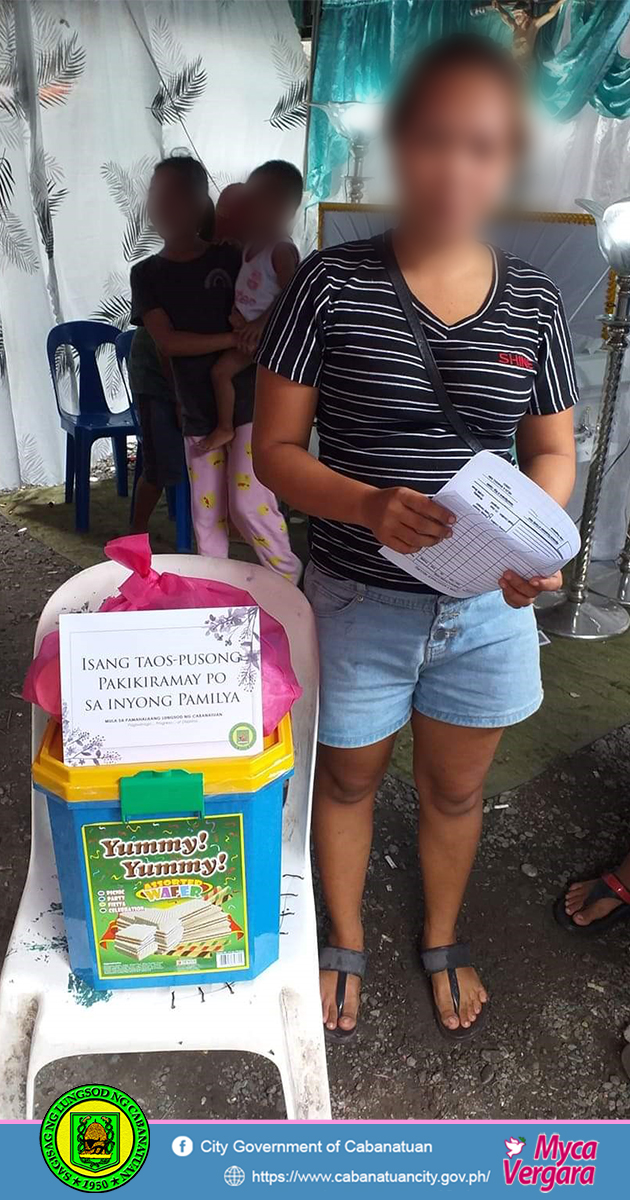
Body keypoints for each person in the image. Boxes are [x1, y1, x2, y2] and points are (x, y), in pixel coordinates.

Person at [253, 34, 578, 1042]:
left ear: (504, 161)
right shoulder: (328, 286)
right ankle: (341, 937)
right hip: (356, 595)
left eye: (482, 147)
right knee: (347, 776)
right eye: (435, 141)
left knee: (457, 787)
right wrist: (363, 504)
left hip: (483, 609)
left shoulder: (534, 301)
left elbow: (552, 451)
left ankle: (442, 934)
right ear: (403, 150)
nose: (456, 167)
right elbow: (273, 450)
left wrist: (538, 541)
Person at [129, 156, 301, 583]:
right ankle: (215, 598)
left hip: (250, 407)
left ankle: (290, 588)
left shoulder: (232, 258)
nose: (165, 206)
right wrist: (236, 339)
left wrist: (254, 334)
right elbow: (167, 342)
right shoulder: (147, 274)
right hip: (196, 410)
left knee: (250, 505)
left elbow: (280, 299)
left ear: (200, 203)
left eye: (177, 197)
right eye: (157, 196)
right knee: (206, 518)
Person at [203, 161, 302, 451]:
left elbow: (293, 295)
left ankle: (230, 428)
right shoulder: (249, 246)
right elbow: (249, 288)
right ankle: (227, 427)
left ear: (284, 209)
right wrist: (240, 321)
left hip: (268, 338)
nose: (250, 212)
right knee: (220, 373)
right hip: (245, 332)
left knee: (226, 375)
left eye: (259, 204)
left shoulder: (281, 250)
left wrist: (260, 327)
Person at [127, 325, 184, 534]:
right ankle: (137, 531)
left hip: (188, 374)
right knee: (159, 465)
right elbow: (165, 345)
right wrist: (179, 400)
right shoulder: (161, 296)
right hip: (156, 382)